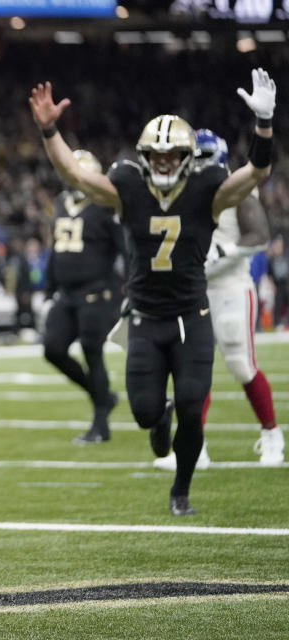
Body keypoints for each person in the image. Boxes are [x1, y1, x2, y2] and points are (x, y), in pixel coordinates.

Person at [29, 67, 276, 515]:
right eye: (155, 155)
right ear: (144, 156)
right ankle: (159, 422)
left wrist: (263, 125)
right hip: (143, 317)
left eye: (172, 154)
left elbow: (257, 172)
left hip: (191, 317)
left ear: (186, 156)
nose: (163, 162)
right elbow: (76, 175)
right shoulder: (128, 186)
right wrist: (49, 129)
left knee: (190, 403)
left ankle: (181, 490)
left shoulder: (207, 188)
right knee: (147, 413)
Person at [153, 129, 283, 469]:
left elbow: (259, 235)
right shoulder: (181, 193)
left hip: (231, 287)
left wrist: (225, 251)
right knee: (194, 371)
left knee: (241, 364)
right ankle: (194, 449)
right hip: (195, 289)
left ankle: (272, 435)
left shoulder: (234, 188)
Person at [41, 149, 124, 444]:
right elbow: (56, 248)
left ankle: (100, 425)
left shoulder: (105, 205)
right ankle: (102, 395)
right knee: (52, 349)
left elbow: (125, 249)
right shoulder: (61, 202)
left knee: (92, 353)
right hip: (66, 294)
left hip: (97, 291)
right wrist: (48, 288)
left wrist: (127, 289)